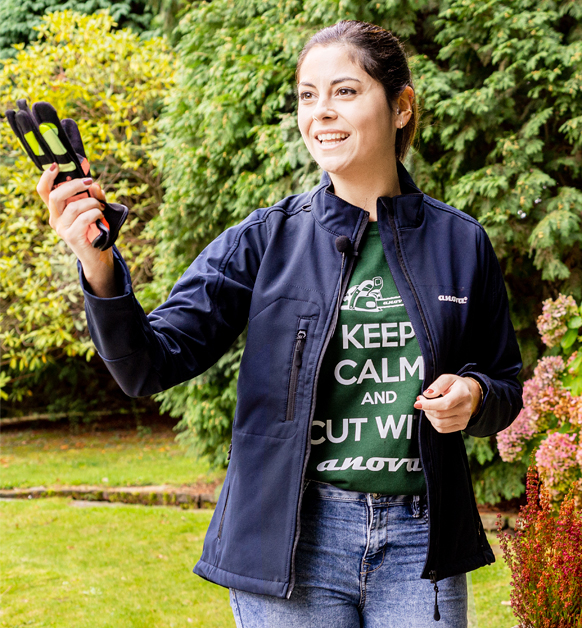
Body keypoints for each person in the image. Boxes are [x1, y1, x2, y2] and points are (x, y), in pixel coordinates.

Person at [36, 19, 523, 628]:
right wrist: (97, 262)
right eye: (308, 95)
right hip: (293, 541)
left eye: (345, 91)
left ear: (400, 107)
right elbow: (146, 365)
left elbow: (504, 384)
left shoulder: (461, 242)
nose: (321, 111)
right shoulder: (267, 239)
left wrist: (475, 395)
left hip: (420, 542)